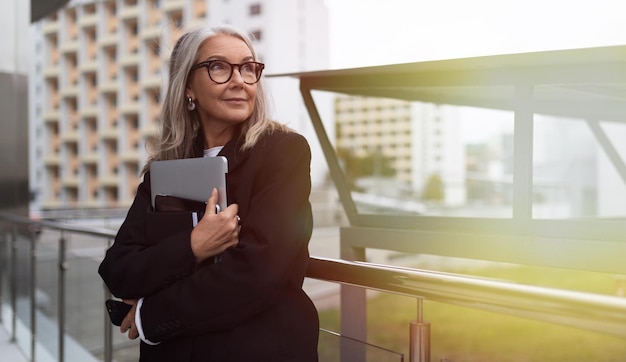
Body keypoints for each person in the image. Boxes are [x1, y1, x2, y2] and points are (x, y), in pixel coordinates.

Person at [98, 24, 319, 361]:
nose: (239, 81)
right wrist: (193, 246)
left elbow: (258, 272)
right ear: (188, 86)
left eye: (248, 68)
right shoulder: (166, 166)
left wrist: (149, 316)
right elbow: (118, 269)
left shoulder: (283, 152)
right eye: (218, 67)